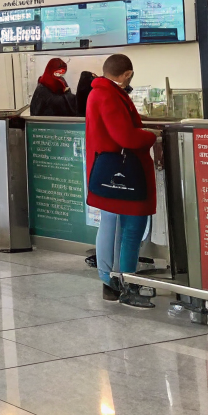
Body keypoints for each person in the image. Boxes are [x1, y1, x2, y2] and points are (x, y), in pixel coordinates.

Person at [87, 53, 158, 309]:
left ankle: (111, 283)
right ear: (126, 74)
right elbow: (125, 136)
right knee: (131, 229)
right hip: (124, 175)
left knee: (110, 225)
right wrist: (151, 136)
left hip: (108, 174)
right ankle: (126, 283)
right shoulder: (108, 95)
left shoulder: (101, 92)